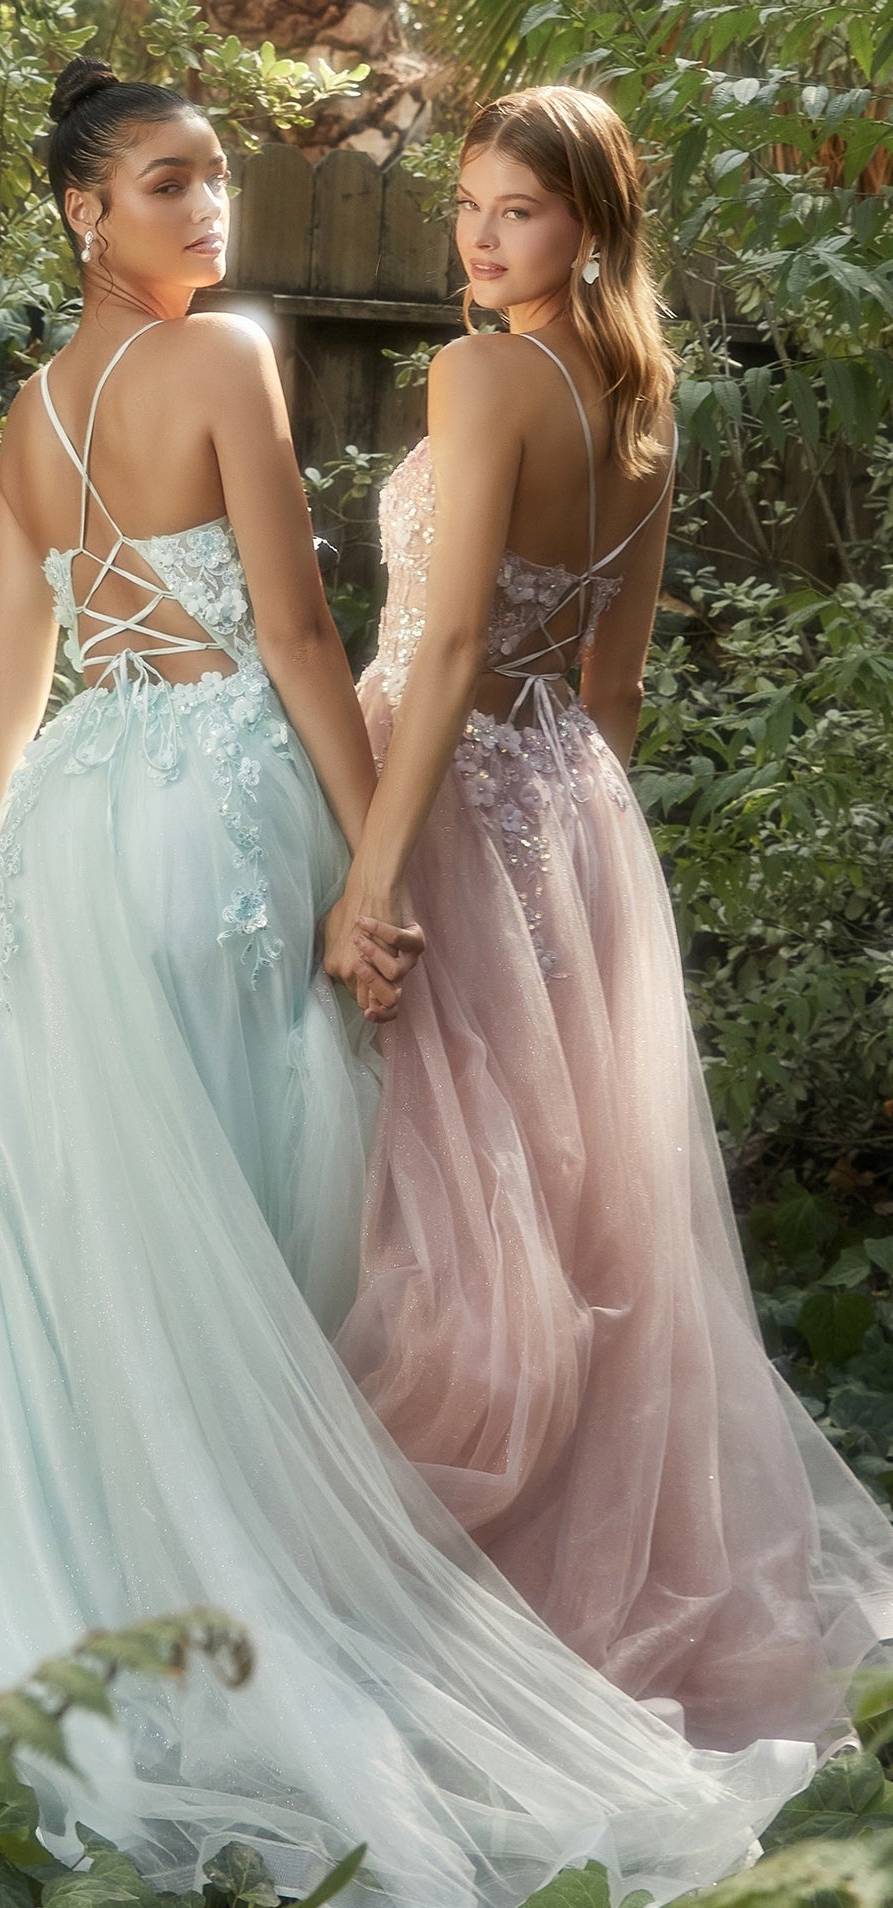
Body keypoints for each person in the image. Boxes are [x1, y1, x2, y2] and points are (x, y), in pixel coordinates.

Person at [0, 59, 819, 1908]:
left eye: (217, 182)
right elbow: (305, 630)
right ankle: (288, 1585)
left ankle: (117, 1587)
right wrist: (369, 857)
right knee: (295, 1202)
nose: (214, 214)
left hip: (83, 833)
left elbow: (14, 690)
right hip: (258, 807)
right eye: (171, 183)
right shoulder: (247, 355)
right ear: (84, 211)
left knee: (119, 1227)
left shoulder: (32, 413)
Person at [326, 84, 893, 1757]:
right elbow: (612, 682)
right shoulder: (647, 395)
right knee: (555, 1202)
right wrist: (564, 852)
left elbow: (436, 651)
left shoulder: (484, 370)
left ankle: (413, 1574)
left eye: (522, 211)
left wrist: (380, 865)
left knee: (436, 1197)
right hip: (562, 801)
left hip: (427, 789)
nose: (484, 240)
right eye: (471, 207)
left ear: (592, 222)